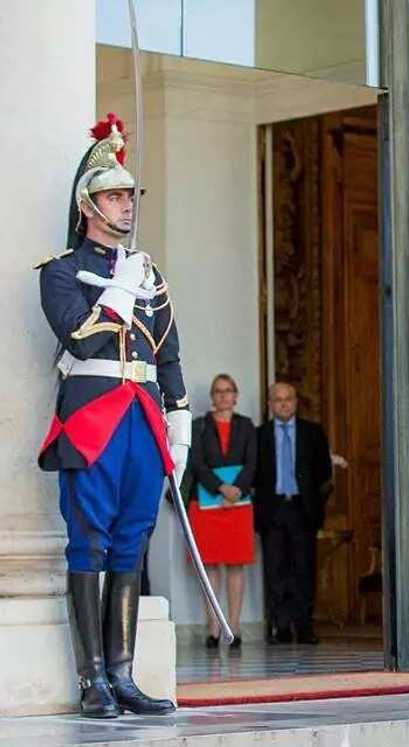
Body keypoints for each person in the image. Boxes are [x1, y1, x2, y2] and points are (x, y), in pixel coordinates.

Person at [36, 114, 187, 718]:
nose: (127, 206)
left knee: (133, 540)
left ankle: (123, 675)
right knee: (90, 540)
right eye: (115, 196)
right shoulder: (63, 272)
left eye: (129, 196)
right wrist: (120, 288)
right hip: (94, 417)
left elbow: (169, 351)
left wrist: (180, 421)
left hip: (142, 420)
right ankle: (92, 678)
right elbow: (78, 337)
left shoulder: (149, 275)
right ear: (87, 205)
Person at [254, 382, 332, 645]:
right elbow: (255, 474)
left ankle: (305, 625)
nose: (284, 403)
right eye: (278, 399)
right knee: (275, 570)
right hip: (272, 509)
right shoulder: (260, 435)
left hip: (302, 509)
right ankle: (281, 626)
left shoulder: (313, 432)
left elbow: (324, 473)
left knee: (303, 569)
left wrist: (315, 503)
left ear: (296, 402)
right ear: (270, 405)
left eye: (288, 399)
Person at [185, 373, 257, 649]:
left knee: (236, 566)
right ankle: (214, 628)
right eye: (218, 391)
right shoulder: (199, 426)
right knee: (210, 567)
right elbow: (198, 463)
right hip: (206, 504)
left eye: (228, 390)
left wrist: (235, 489)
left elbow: (252, 463)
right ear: (213, 397)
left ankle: (235, 627)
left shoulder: (247, 426)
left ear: (236, 395)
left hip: (238, 504)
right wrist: (221, 489)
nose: (223, 395)